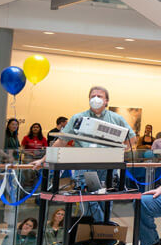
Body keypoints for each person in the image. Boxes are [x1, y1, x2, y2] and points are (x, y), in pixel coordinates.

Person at [32, 86, 136, 222]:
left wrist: (117, 152)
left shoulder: (116, 119)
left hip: (108, 168)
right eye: (93, 96)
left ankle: (102, 234)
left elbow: (132, 139)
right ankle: (101, 229)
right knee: (86, 200)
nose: (96, 99)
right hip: (84, 167)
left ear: (106, 101)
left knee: (106, 202)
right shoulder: (78, 118)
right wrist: (43, 159)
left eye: (100, 96)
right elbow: (61, 141)